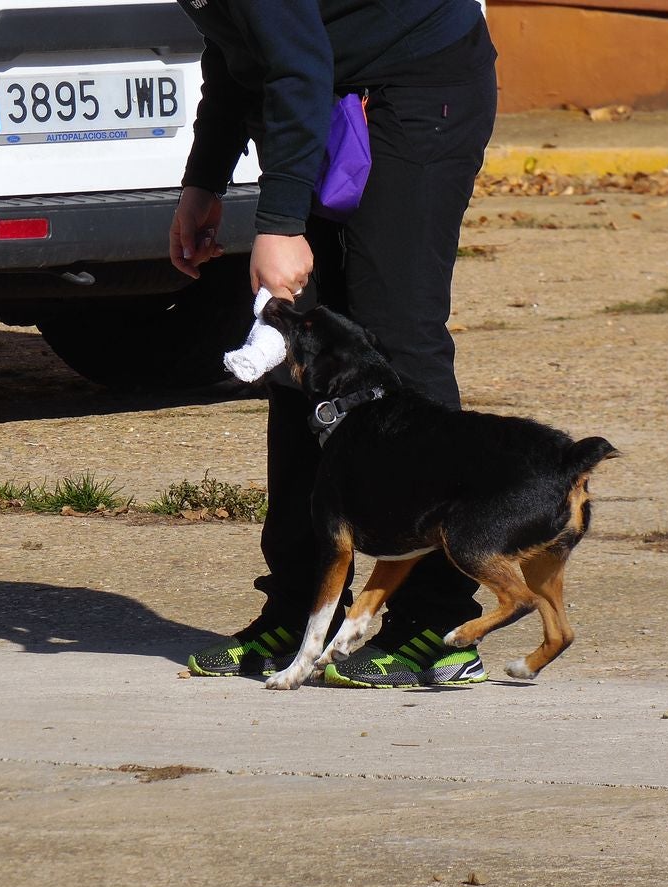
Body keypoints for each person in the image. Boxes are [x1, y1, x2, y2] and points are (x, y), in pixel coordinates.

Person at [171, 0, 498, 688]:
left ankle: (437, 626)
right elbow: (238, 50)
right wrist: (204, 179)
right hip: (327, 89)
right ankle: (300, 609)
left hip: (418, 84)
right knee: (301, 349)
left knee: (399, 339)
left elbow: (295, 64)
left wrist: (281, 222)